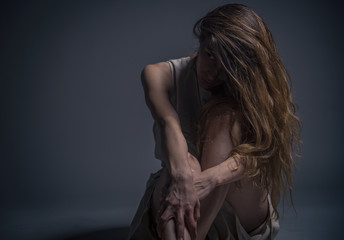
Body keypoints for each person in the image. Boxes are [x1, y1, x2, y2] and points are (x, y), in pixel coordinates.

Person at [128, 3, 301, 240]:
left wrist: (212, 178)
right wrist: (184, 178)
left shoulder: (259, 89)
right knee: (183, 163)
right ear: (200, 42)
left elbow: (263, 154)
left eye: (227, 65)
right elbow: (169, 123)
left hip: (238, 202)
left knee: (223, 116)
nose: (212, 72)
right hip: (181, 196)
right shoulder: (160, 75)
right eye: (209, 55)